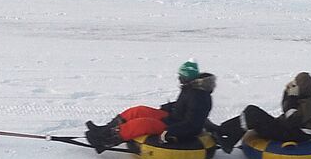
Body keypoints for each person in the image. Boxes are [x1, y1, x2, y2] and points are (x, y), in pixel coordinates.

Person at [84, 60, 216, 152]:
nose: (179, 78)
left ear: (188, 77)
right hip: (174, 117)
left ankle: (104, 141)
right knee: (138, 111)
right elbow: (185, 105)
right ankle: (104, 130)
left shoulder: (199, 96)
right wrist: (169, 107)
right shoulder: (191, 88)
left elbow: (193, 124)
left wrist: (171, 132)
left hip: (178, 126)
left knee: (141, 124)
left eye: (181, 75)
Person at [211, 72, 311, 153]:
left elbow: (292, 120)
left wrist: (292, 97)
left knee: (253, 114)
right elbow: (286, 108)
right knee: (251, 112)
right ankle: (224, 132)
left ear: (303, 87)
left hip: (297, 134)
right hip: (288, 128)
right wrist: (287, 93)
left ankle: (223, 133)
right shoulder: (304, 96)